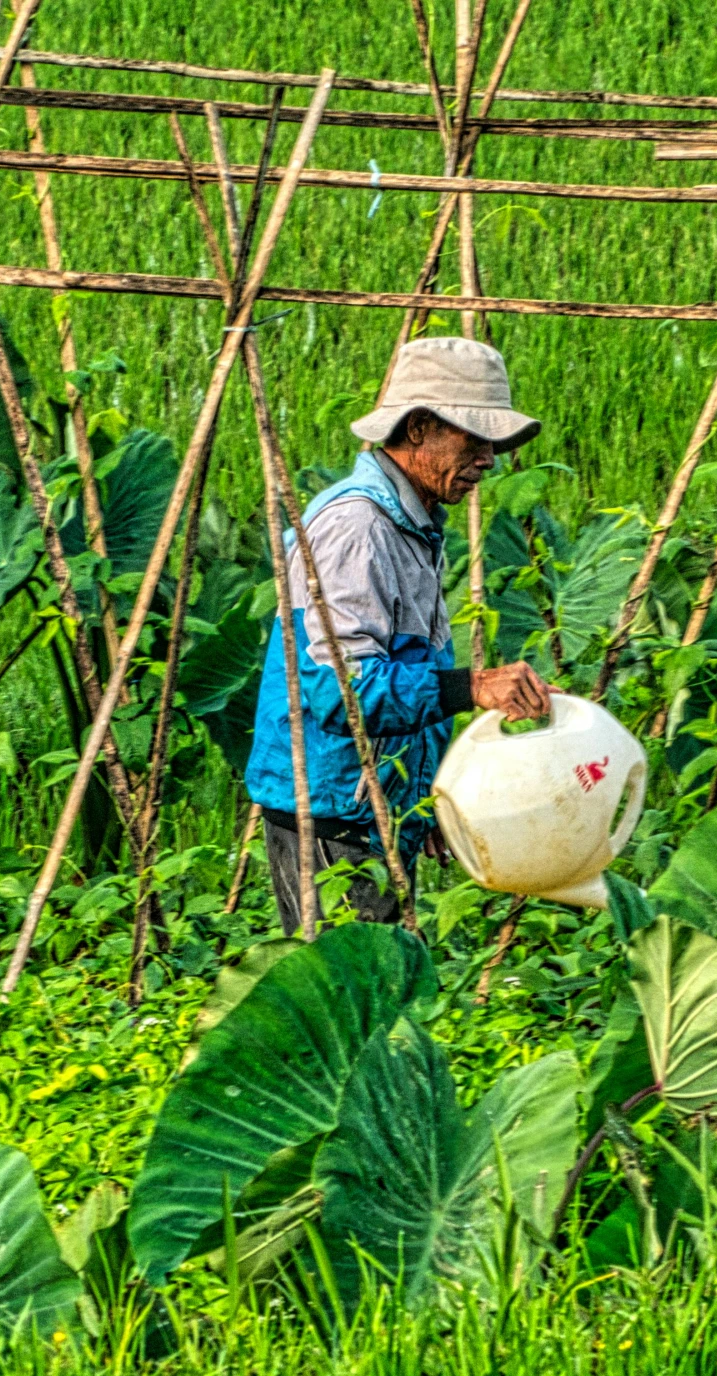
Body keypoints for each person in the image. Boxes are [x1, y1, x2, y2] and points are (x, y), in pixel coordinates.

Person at [245, 336, 552, 934]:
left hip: (372, 804)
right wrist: (476, 687)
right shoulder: (358, 529)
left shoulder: (410, 523)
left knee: (379, 1003)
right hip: (334, 815)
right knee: (347, 1005)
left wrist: (423, 798)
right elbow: (342, 690)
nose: (489, 460)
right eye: (476, 438)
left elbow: (404, 664)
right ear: (418, 429)